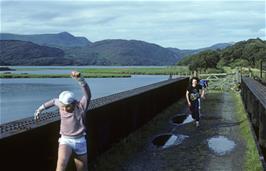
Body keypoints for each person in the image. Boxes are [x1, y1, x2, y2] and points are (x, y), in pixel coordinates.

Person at [34, 71, 91, 171]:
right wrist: (39, 109)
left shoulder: (81, 106)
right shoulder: (61, 104)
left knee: (82, 168)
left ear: (73, 103)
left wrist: (80, 79)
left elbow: (88, 95)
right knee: (61, 165)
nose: (64, 109)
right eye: (62, 106)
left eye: (67, 107)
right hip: (66, 140)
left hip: (80, 140)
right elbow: (53, 101)